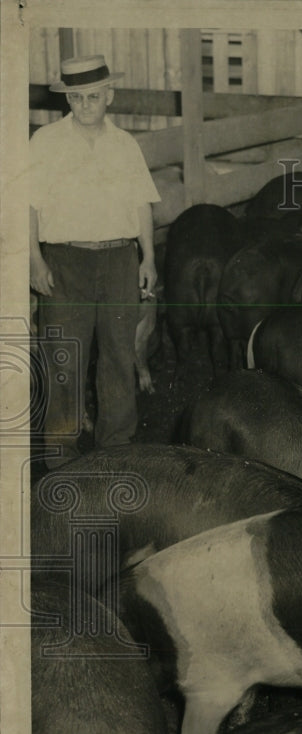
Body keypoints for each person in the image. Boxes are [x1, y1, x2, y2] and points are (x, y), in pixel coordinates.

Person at [29, 55, 160, 469]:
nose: (85, 105)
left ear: (109, 95)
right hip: (65, 261)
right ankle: (61, 459)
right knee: (64, 357)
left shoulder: (126, 144)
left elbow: (142, 205)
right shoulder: (45, 142)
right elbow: (27, 206)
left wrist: (149, 258)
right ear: (67, 98)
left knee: (120, 356)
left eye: (93, 96)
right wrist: (34, 259)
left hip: (121, 258)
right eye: (76, 97)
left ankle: (116, 449)